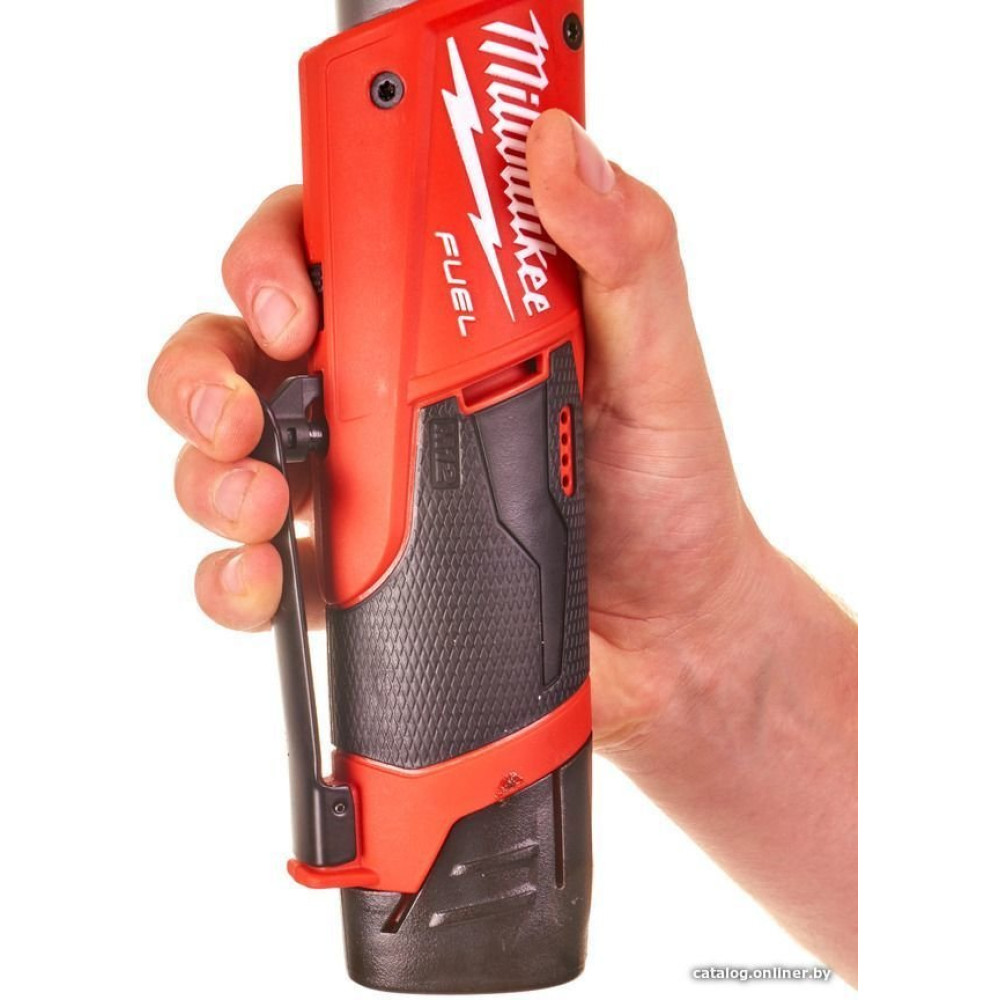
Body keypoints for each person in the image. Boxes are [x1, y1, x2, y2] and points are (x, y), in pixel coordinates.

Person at [148, 110, 858, 985]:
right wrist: (698, 644)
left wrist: (703, 632)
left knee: (382, 178)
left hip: (429, 830)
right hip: (415, 824)